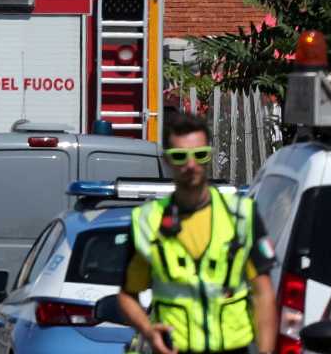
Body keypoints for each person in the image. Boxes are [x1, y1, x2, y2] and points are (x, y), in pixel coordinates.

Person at [116, 110, 277, 354]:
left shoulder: (241, 215)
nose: (191, 165)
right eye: (180, 157)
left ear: (209, 157)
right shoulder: (147, 221)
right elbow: (127, 296)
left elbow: (263, 293)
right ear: (167, 161)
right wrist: (149, 331)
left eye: (200, 155)